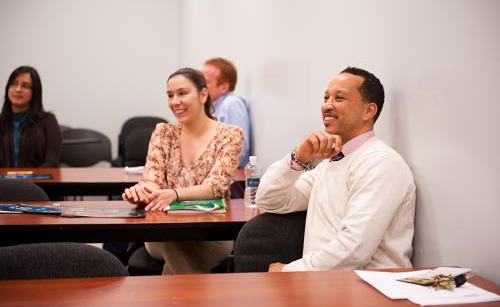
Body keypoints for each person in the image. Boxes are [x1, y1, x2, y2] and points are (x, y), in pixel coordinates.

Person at [256, 67, 416, 272]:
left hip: (368, 292)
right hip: (325, 286)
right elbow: (269, 200)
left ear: (368, 111)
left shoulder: (381, 163)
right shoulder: (331, 164)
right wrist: (299, 158)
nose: (327, 106)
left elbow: (355, 249)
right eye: (325, 98)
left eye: (339, 98)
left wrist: (289, 272)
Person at [122, 67, 243, 274]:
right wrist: (142, 191)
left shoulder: (230, 135)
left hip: (211, 233)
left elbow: (215, 187)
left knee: (178, 257)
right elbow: (152, 178)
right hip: (165, 230)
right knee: (169, 239)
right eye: (170, 95)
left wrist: (175, 194)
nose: (174, 102)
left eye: (182, 93)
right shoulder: (163, 132)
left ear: (203, 95)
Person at [0, 66, 62, 168]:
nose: (18, 89)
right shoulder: (1, 121)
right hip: (4, 183)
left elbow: (51, 162)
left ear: (35, 92)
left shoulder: (48, 121)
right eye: (14, 84)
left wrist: (31, 179)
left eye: (25, 86)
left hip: (38, 182)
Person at [202, 57, 251, 168]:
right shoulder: (209, 107)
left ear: (223, 87)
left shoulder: (231, 104)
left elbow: (238, 154)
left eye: (205, 82)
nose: (199, 86)